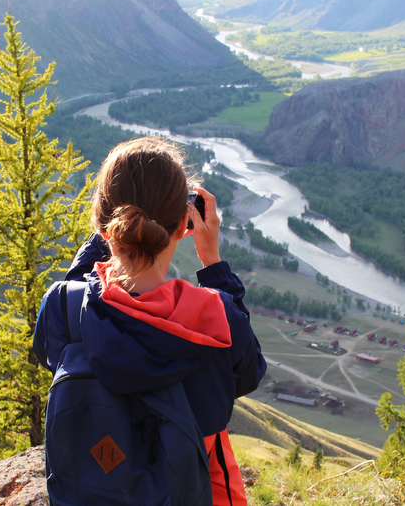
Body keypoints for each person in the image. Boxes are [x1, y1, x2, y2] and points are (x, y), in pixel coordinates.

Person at [35, 137, 266, 506]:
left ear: (102, 225)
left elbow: (72, 310)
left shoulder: (62, 306)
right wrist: (213, 261)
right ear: (182, 225)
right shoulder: (216, 318)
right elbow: (249, 372)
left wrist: (107, 237)